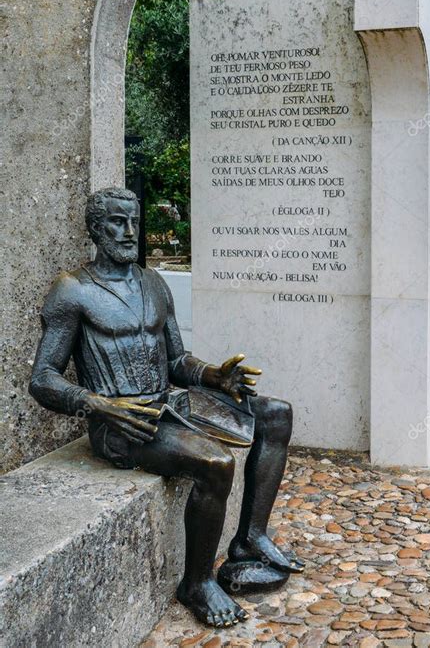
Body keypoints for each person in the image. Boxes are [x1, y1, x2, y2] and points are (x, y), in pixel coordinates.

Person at [29, 187, 303, 628]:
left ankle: (249, 540)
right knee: (215, 463)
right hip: (123, 425)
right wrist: (97, 405)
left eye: (133, 221)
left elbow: (176, 360)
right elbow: (42, 378)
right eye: (118, 222)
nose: (129, 231)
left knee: (276, 413)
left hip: (170, 403)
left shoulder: (152, 282)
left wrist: (212, 375)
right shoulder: (72, 291)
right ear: (96, 229)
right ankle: (196, 583)